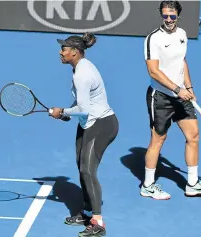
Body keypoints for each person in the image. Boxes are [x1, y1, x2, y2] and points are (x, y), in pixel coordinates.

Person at [141, 0, 201, 200]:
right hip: (160, 97)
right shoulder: (153, 39)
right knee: (158, 140)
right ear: (161, 15)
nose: (168, 19)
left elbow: (181, 62)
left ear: (178, 16)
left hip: (182, 96)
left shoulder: (182, 35)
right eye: (165, 15)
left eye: (172, 16)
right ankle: (148, 185)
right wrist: (177, 88)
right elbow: (153, 71)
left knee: (193, 136)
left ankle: (192, 184)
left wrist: (189, 87)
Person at [50, 32, 119, 237]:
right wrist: (68, 116)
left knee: (88, 170)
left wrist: (62, 112)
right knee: (81, 167)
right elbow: (82, 104)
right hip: (87, 124)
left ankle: (98, 222)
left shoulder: (82, 73)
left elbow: (83, 109)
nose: (60, 52)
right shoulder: (79, 68)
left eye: (64, 49)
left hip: (102, 124)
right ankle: (87, 212)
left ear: (75, 52)